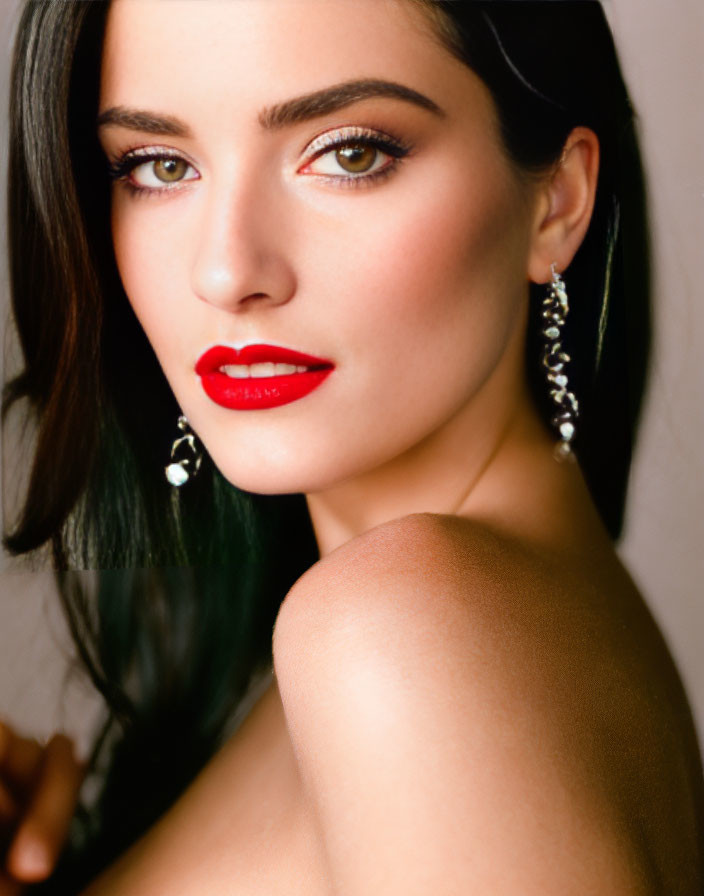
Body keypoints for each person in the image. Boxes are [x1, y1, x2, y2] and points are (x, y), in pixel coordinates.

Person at [1, 0, 703, 892]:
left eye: (350, 153)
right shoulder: (492, 618)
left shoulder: (403, 636)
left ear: (556, 201)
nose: (226, 272)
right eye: (159, 165)